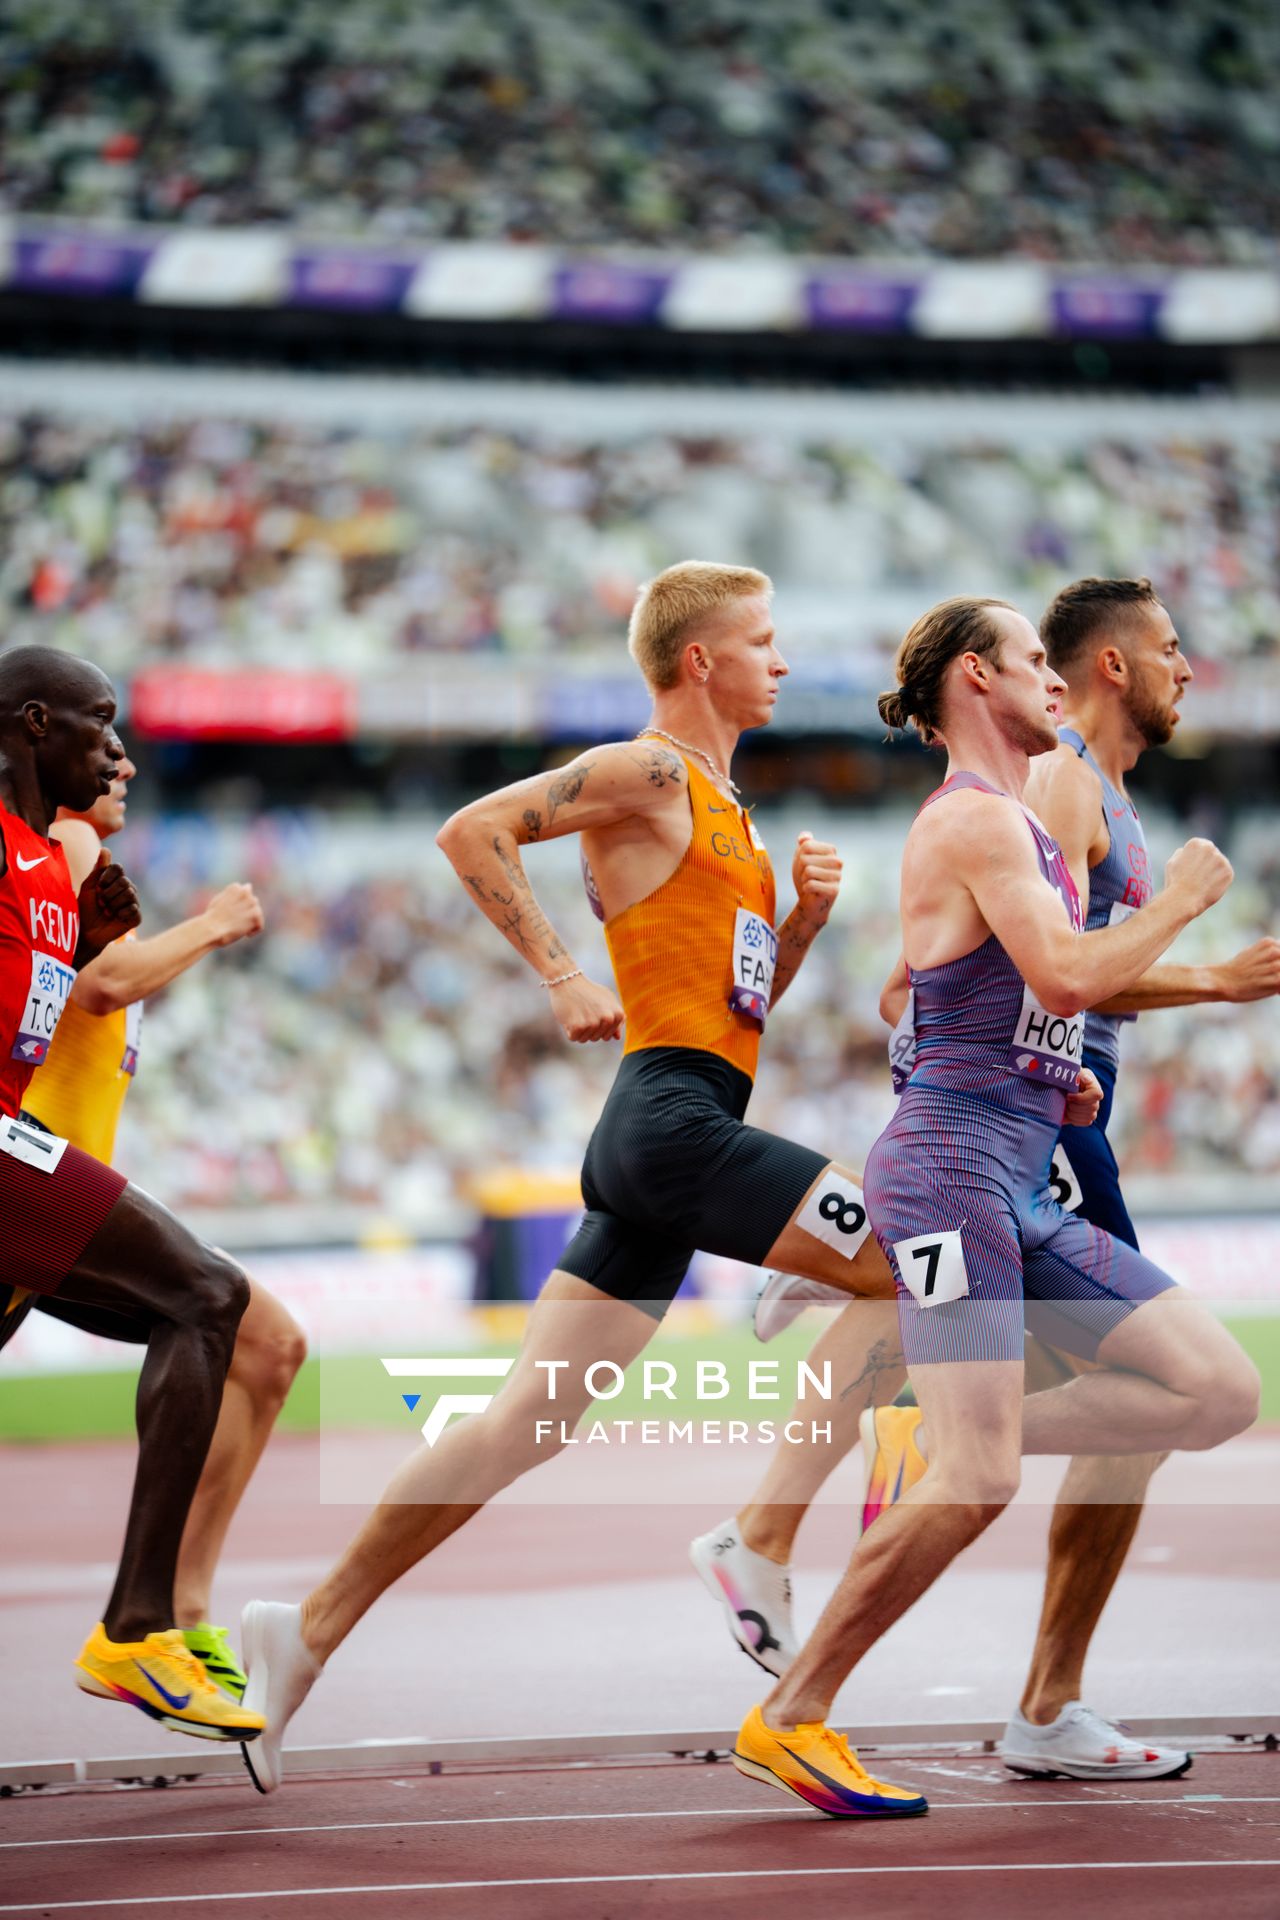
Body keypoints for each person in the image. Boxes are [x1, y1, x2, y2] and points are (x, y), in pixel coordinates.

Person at [237, 560, 918, 1796]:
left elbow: (736, 1012)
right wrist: (559, 972)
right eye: (760, 640)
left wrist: (802, 924)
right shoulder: (648, 770)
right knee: (912, 1266)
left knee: (522, 1425)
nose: (780, 660)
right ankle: (758, 1534)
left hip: (672, 1126)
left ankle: (307, 1631)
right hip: (668, 1125)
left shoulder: (723, 808)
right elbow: (471, 829)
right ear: (699, 660)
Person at [695, 574, 1280, 1781]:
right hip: (956, 1174)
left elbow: (993, 991)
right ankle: (793, 1716)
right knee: (976, 1477)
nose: (1052, 686)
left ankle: (918, 1396)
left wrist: (1050, 1071)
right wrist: (1186, 922)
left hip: (1013, 1164)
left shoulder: (1018, 815)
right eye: (1030, 663)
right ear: (977, 676)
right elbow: (1046, 979)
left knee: (1216, 1391)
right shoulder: (989, 813)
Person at [0, 644, 264, 1746]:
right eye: (99, 723)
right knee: (206, 1296)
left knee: (215, 1314)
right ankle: (141, 1627)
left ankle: (159, 1620)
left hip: (27, 1158)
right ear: (33, 725)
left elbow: (65, 999)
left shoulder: (48, 867)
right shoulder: (26, 845)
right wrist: (199, 929)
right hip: (15, 1151)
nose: (120, 753)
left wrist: (92, 941)